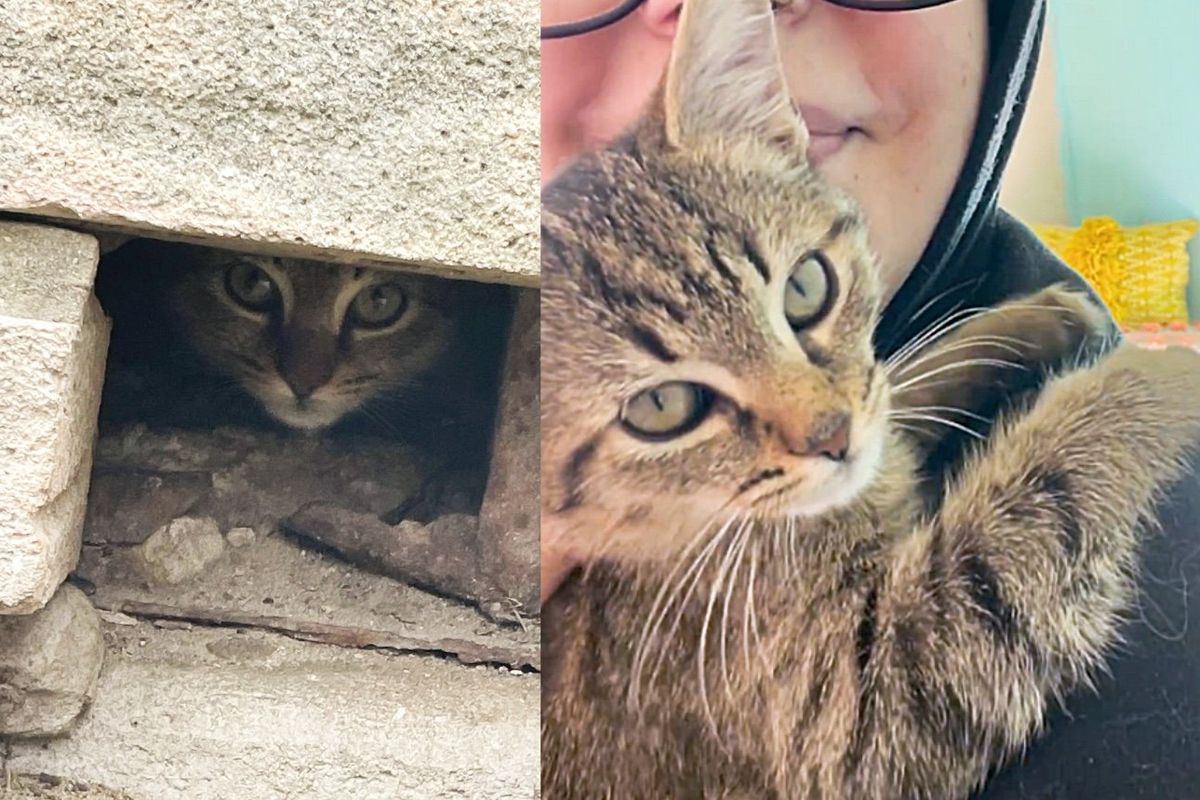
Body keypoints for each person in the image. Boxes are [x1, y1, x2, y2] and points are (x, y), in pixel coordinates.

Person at [539, 0, 1200, 797]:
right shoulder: (662, 601)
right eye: (668, 407)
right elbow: (897, 731)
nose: (821, 424)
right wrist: (1135, 401)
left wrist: (966, 360)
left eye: (806, 294)